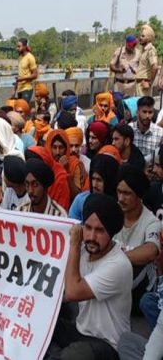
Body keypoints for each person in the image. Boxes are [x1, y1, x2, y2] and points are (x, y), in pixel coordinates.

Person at [47, 194, 131, 360]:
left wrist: (74, 245)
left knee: (74, 355)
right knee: (38, 324)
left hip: (107, 345)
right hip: (80, 330)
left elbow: (72, 292)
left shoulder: (119, 264)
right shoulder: (84, 251)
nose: (91, 237)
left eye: (100, 230)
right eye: (88, 227)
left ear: (112, 232)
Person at [115, 164, 160, 309]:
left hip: (138, 292)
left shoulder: (151, 222)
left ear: (139, 195)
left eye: (127, 193)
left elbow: (151, 251)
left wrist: (114, 258)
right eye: (119, 192)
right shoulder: (112, 212)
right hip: (112, 282)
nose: (121, 198)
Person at [69, 153, 120, 221]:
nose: (94, 185)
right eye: (93, 179)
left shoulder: (120, 205)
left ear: (109, 181)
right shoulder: (80, 201)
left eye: (99, 180)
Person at [26, 146, 71, 211]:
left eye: (35, 184)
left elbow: (61, 212)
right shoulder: (21, 209)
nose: (30, 190)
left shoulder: (60, 179)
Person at [46, 129, 86, 199]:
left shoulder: (75, 164)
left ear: (66, 148)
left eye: (61, 147)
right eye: (54, 147)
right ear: (50, 148)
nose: (57, 152)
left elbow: (77, 196)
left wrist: (66, 172)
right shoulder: (46, 164)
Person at [130, 96, 163, 160]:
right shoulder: (130, 129)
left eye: (150, 112)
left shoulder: (160, 133)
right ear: (137, 112)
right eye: (144, 112)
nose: (147, 116)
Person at [15, 38, 39, 102]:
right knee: (19, 110)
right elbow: (20, 74)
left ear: (25, 47)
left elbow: (35, 75)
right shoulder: (20, 58)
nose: (17, 48)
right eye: (17, 46)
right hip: (19, 89)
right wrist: (14, 90)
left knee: (23, 109)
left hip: (27, 88)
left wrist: (22, 78)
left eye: (19, 46)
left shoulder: (30, 57)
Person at [139, 24, 158, 96]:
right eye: (140, 36)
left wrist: (150, 83)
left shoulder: (151, 50)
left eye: (143, 36)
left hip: (144, 86)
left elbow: (155, 66)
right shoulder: (144, 50)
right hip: (140, 85)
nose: (140, 38)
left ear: (149, 38)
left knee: (144, 106)